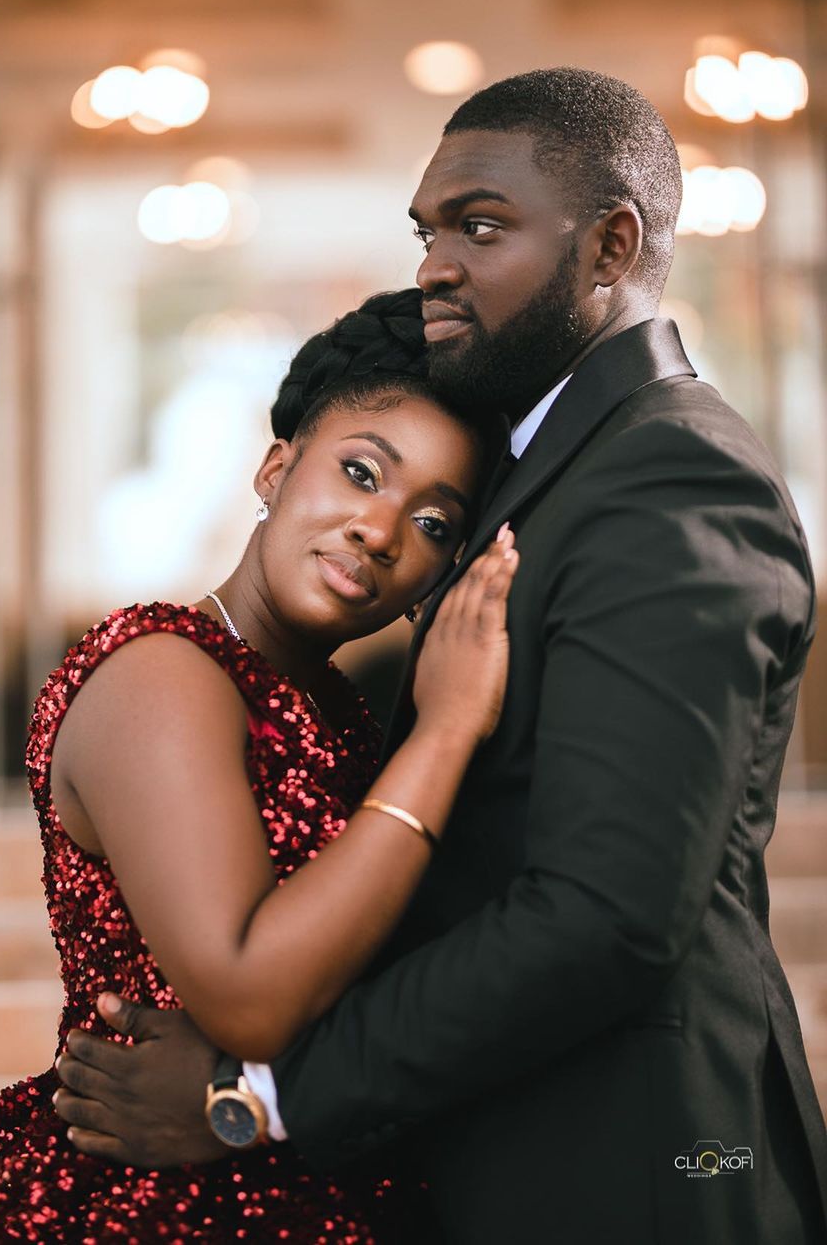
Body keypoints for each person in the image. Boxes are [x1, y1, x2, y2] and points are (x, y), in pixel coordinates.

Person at [54, 68, 827, 1245]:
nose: (437, 267)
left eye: (482, 227)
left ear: (612, 246)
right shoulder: (552, 467)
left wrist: (257, 1100)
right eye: (429, 234)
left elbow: (609, 912)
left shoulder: (670, 476)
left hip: (636, 1163)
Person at [0, 288, 520, 1243]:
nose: (380, 530)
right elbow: (250, 997)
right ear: (275, 469)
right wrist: (447, 733)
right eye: (362, 472)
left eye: (434, 524)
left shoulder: (340, 715)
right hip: (150, 1204)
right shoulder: (161, 673)